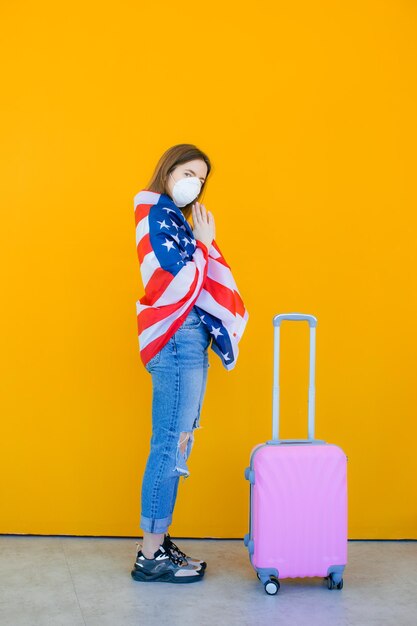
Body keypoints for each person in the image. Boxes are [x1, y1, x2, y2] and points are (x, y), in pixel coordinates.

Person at [131, 144, 248, 584]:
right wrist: (201, 246)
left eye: (202, 178)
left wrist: (196, 243)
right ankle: (150, 555)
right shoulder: (153, 215)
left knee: (176, 442)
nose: (194, 184)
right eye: (188, 172)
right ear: (167, 169)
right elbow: (176, 282)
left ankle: (157, 543)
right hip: (178, 339)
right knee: (169, 443)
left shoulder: (172, 218)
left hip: (185, 340)